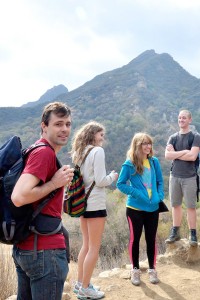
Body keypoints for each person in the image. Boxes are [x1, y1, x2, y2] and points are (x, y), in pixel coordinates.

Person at [11, 102, 74, 300]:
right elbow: (19, 196)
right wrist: (55, 184)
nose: (64, 129)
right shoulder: (44, 153)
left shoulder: (35, 150)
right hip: (44, 253)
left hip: (27, 247)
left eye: (68, 124)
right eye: (58, 124)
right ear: (44, 126)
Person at [70, 121, 118, 300]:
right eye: (101, 135)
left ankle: (80, 284)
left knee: (86, 245)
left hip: (82, 204)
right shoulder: (97, 151)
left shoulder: (79, 152)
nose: (102, 139)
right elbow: (100, 180)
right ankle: (85, 289)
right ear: (92, 134)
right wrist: (113, 176)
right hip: (95, 204)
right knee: (94, 248)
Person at [117, 132, 164, 286]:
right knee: (134, 239)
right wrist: (136, 193)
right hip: (134, 209)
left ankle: (152, 270)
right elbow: (120, 184)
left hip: (153, 208)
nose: (148, 146)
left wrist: (160, 195)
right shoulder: (129, 164)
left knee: (151, 239)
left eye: (149, 143)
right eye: (144, 143)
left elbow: (159, 181)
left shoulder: (154, 161)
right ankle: (135, 271)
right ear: (137, 145)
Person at [165, 109, 200, 246]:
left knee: (191, 206)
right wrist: (185, 152)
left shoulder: (195, 136)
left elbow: (192, 156)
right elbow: (167, 156)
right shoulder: (173, 137)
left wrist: (176, 153)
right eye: (179, 118)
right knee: (175, 205)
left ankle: (193, 235)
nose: (181, 120)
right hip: (174, 176)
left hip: (190, 177)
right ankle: (175, 232)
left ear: (190, 120)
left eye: (184, 118)